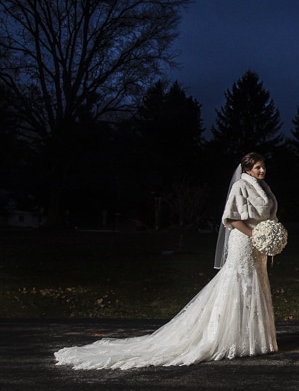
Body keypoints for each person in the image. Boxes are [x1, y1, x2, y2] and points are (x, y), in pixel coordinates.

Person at [54, 152, 280, 370]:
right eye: (257, 167)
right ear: (247, 168)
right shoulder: (240, 186)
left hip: (258, 246)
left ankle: (252, 338)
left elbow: (269, 215)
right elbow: (230, 218)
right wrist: (255, 235)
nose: (262, 170)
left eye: (263, 166)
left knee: (256, 284)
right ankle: (226, 335)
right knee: (239, 283)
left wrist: (270, 234)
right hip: (244, 241)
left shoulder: (265, 188)